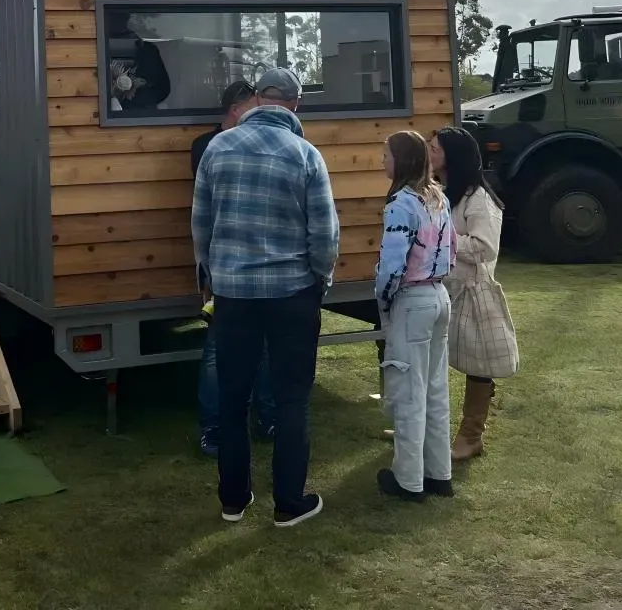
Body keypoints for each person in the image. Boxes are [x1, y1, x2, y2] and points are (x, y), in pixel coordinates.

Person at [192, 67, 339, 527]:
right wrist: (322, 278)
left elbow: (201, 222)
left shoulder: (218, 147)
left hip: (233, 295)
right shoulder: (305, 154)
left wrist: (211, 274)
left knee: (234, 400)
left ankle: (234, 501)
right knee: (292, 399)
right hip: (292, 292)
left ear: (257, 98)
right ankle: (288, 505)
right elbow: (325, 234)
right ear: (296, 104)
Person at [190, 80, 276, 458]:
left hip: (267, 265)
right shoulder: (207, 146)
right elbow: (204, 212)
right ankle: (214, 428)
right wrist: (206, 270)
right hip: (224, 265)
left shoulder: (264, 143)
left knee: (268, 347)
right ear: (236, 108)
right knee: (217, 350)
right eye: (253, 106)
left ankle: (268, 418)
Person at [374, 131, 456, 502]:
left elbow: (392, 266)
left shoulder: (400, 205)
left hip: (413, 299)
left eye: (387, 154)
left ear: (402, 160)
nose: (382, 161)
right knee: (435, 390)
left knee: (409, 392)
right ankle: (440, 474)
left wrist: (385, 299)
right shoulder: (439, 197)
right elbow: (451, 250)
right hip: (440, 295)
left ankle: (408, 480)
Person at [428, 126, 518, 461]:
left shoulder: (479, 199)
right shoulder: (444, 191)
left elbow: (484, 247)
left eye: (435, 149)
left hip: (472, 290)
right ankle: (426, 425)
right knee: (434, 357)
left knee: (477, 364)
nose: (430, 153)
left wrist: (439, 238)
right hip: (444, 288)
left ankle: (471, 436)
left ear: (453, 156)